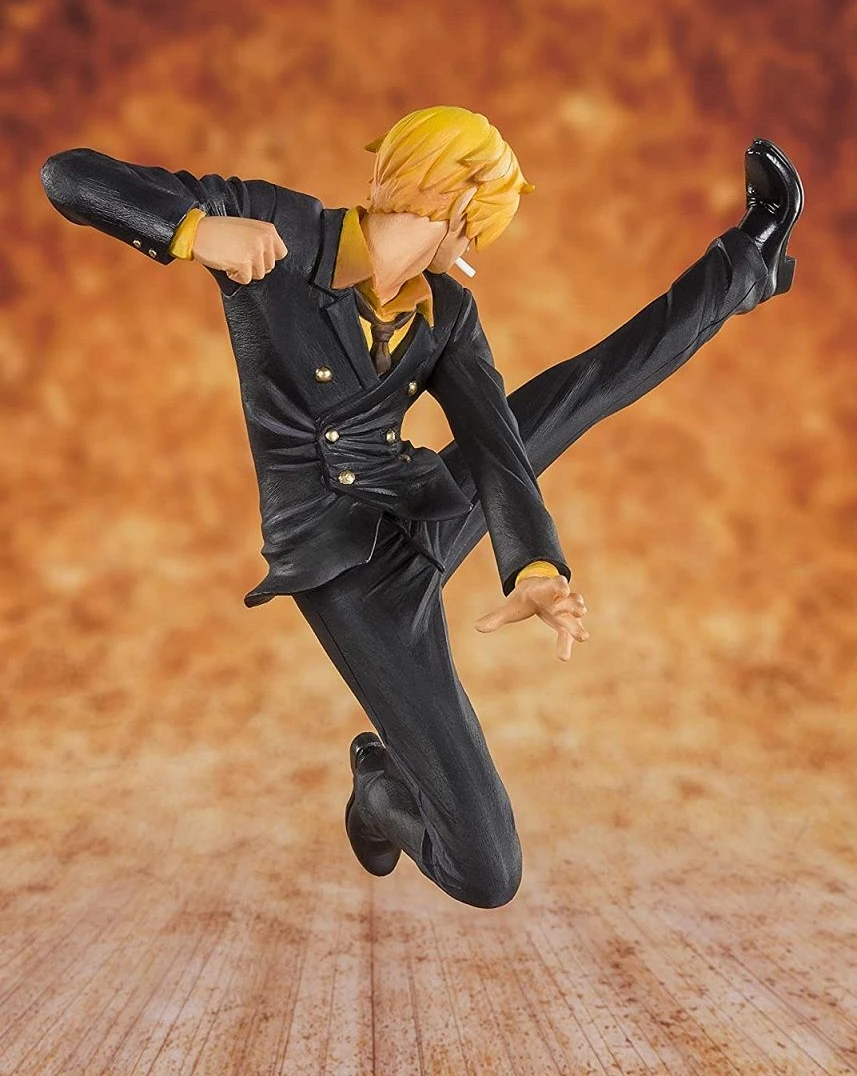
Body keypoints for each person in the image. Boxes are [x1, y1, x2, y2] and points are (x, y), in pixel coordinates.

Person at [40, 107, 803, 908]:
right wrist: (195, 231)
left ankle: (746, 258)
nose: (477, 245)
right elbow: (69, 176)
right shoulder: (279, 227)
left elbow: (496, 449)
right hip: (346, 571)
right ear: (459, 199)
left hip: (420, 501)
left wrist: (534, 567)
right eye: (480, 222)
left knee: (577, 389)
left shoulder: (446, 311)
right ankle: (377, 792)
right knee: (486, 874)